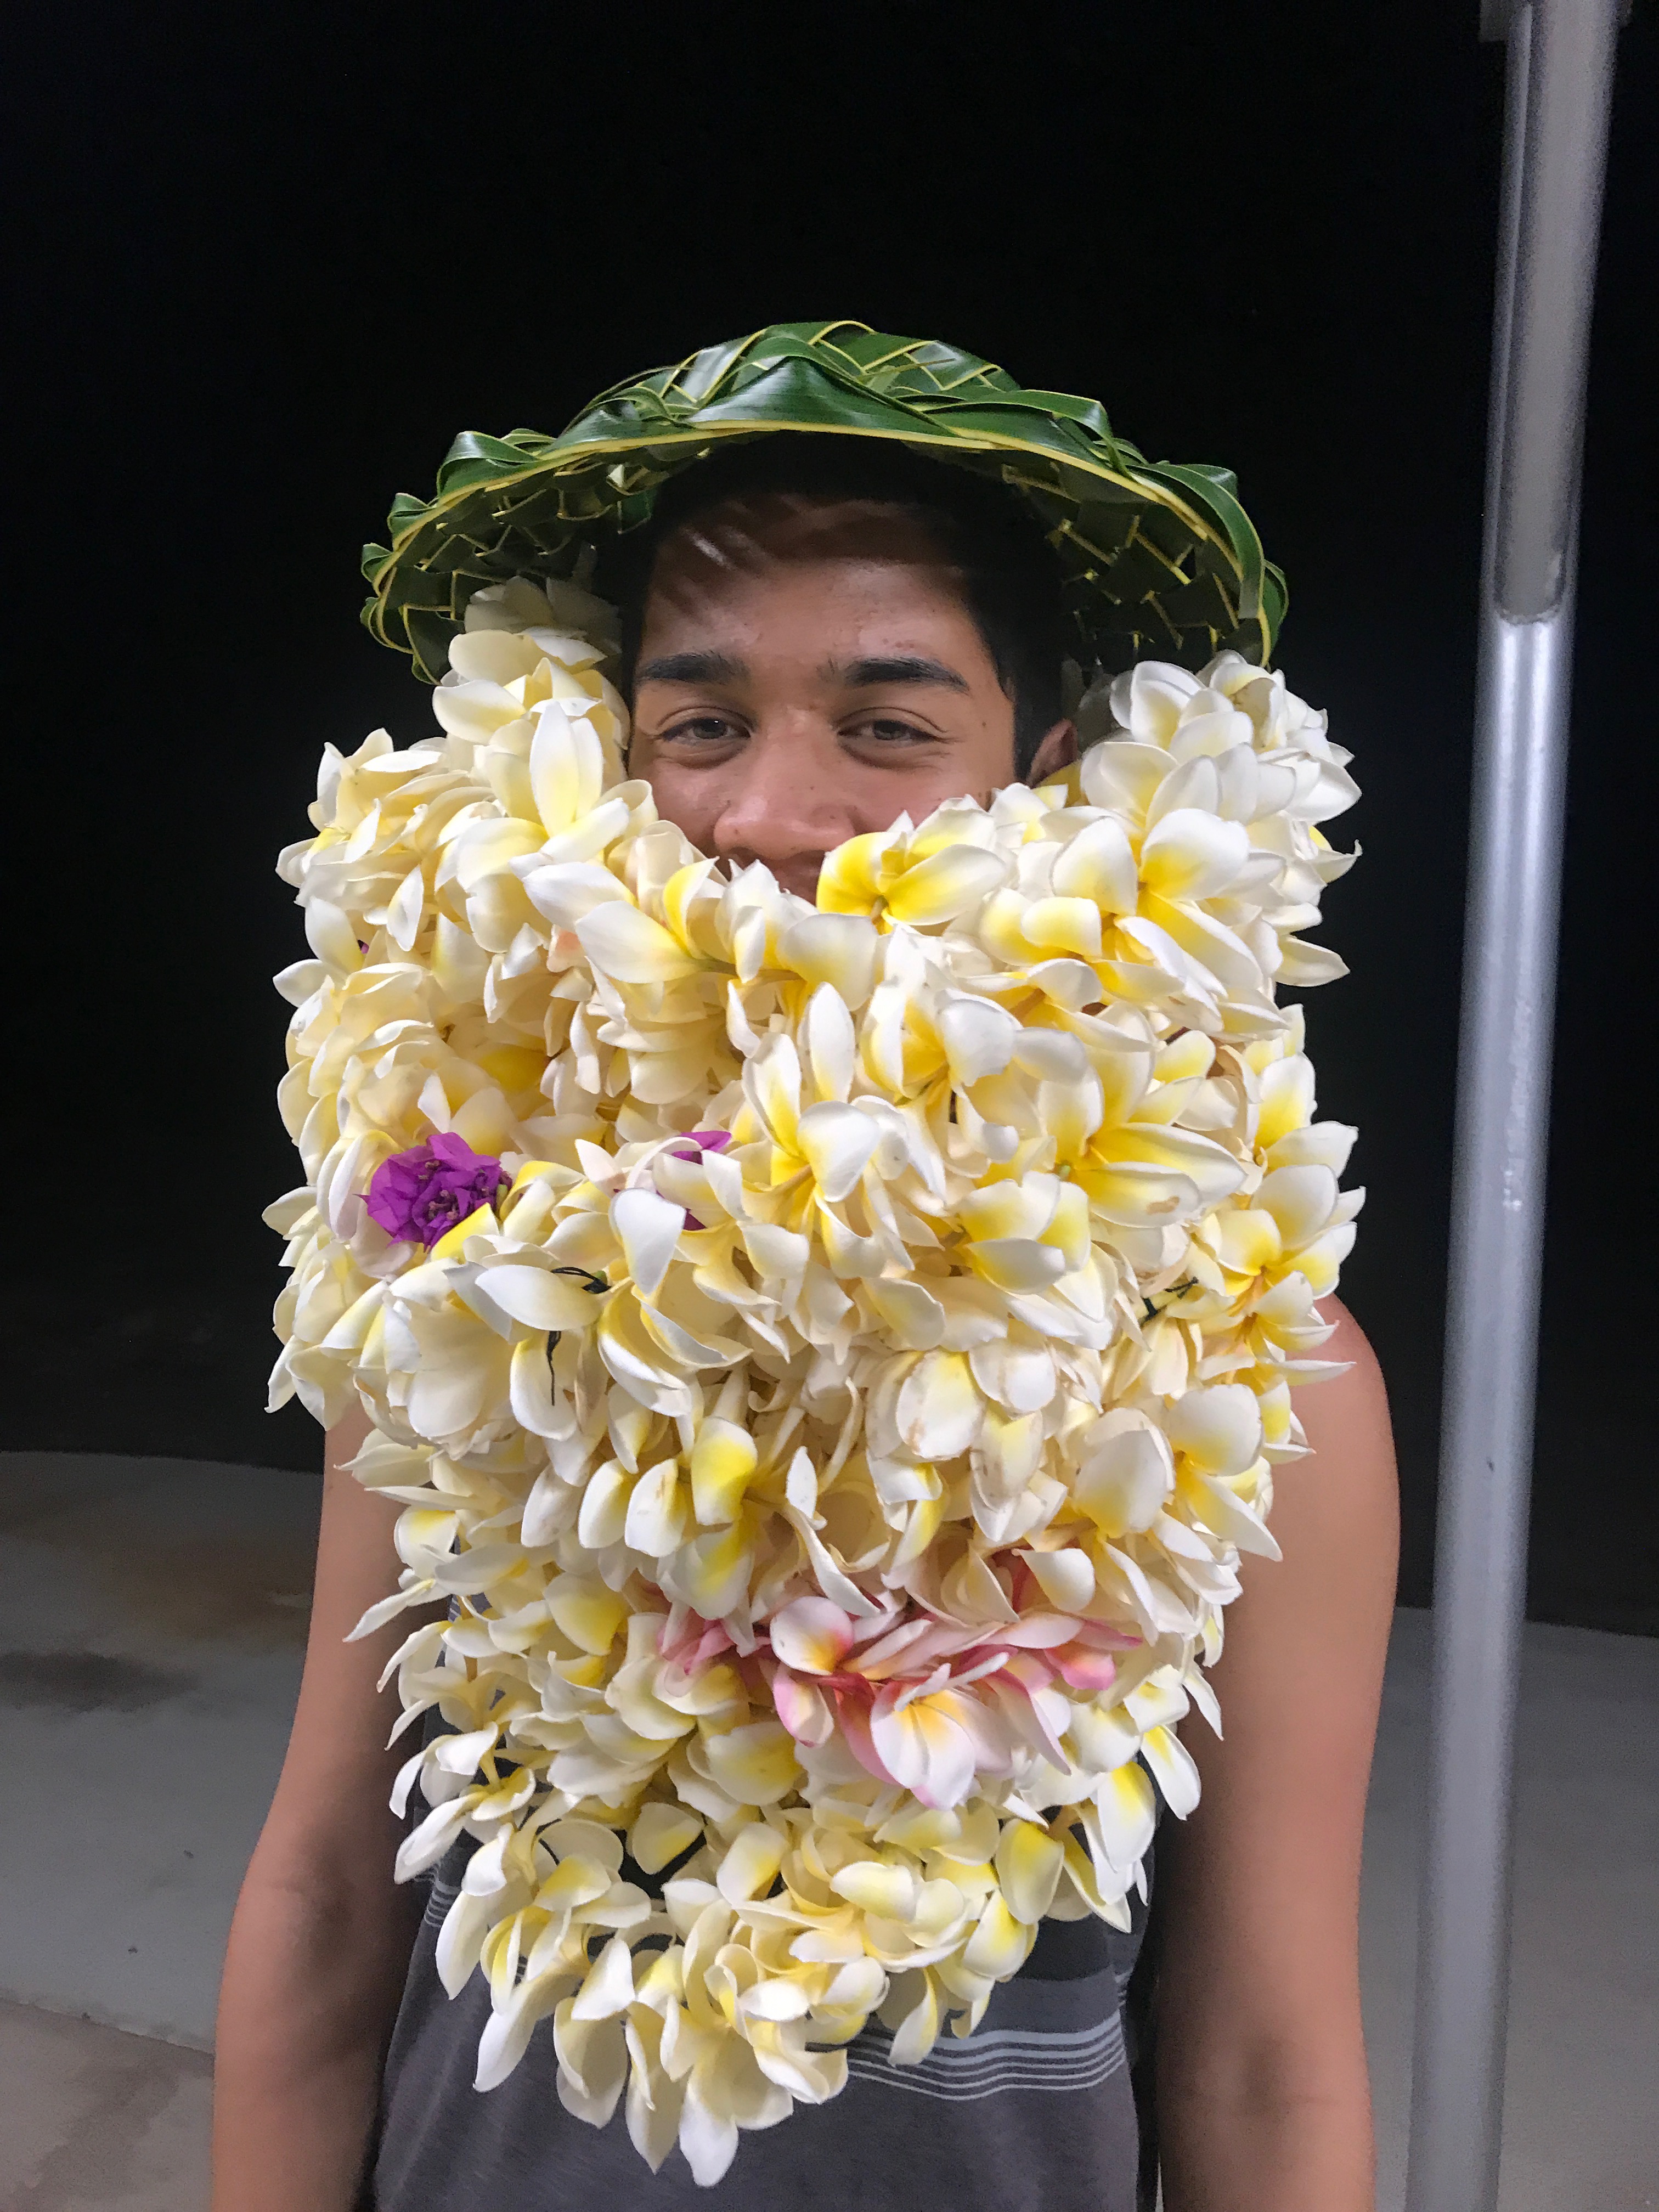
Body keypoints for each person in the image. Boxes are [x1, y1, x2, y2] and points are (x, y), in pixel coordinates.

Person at [213, 338, 1398, 2212]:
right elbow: (328, 1900)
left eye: (888, 727)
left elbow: (1265, 2061)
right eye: (700, 725)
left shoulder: (1245, 1369)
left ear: (1050, 775)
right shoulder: (465, 1305)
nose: (770, 812)